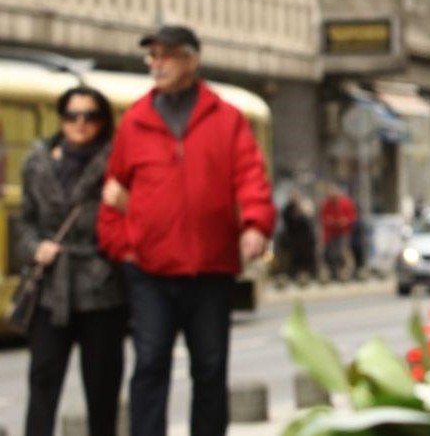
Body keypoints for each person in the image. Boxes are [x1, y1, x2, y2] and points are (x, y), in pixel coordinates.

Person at [97, 25, 275, 436]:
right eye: (152, 57)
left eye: (167, 55)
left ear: (192, 61)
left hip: (210, 267)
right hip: (149, 270)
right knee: (150, 364)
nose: (157, 64)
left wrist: (255, 225)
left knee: (210, 368)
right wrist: (123, 246)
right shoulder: (135, 121)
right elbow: (112, 192)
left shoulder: (226, 119)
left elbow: (251, 178)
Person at [19, 87, 126, 436]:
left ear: (103, 121)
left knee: (102, 388)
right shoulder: (37, 163)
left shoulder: (117, 163)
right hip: (51, 289)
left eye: (90, 116)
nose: (80, 123)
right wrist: (36, 247)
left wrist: (125, 203)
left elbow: (138, 220)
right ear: (61, 119)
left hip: (102, 288)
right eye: (72, 115)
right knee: (43, 381)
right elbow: (26, 221)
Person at [320, 183, 357, 280]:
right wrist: (330, 221)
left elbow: (352, 217)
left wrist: (345, 221)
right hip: (332, 233)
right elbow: (323, 218)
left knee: (343, 252)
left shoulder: (346, 203)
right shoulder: (326, 204)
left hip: (344, 232)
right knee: (333, 253)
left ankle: (347, 273)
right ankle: (335, 273)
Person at [279, 189, 317, 282]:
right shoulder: (287, 209)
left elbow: (308, 223)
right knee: (294, 258)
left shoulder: (303, 208)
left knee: (305, 258)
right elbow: (287, 222)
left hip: (304, 239)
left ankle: (306, 274)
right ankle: (294, 274)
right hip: (293, 238)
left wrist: (302, 214)